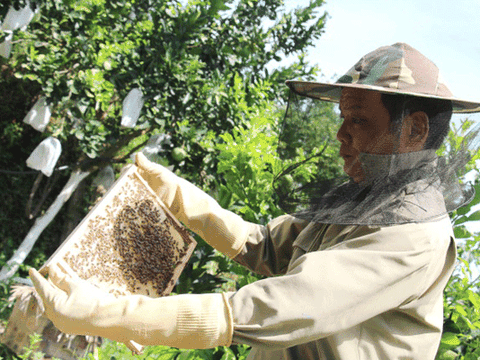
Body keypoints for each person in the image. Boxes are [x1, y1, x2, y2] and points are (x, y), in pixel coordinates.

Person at [30, 43, 480, 359]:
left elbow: (269, 310)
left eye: (358, 120)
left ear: (416, 129)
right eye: (342, 118)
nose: (341, 135)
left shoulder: (413, 238)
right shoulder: (362, 200)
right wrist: (178, 196)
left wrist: (103, 313)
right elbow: (262, 246)